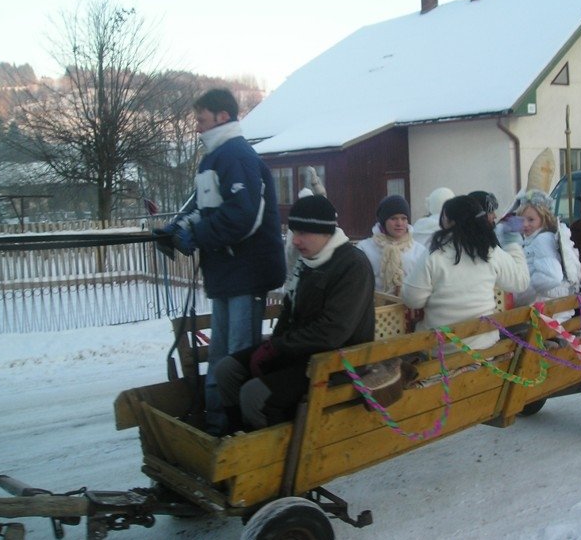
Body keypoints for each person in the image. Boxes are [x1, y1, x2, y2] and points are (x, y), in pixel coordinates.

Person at [154, 88, 286, 436]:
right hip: (227, 272)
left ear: (222, 116)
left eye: (201, 119)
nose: (197, 126)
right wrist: (176, 228)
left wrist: (196, 235)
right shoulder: (214, 158)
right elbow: (202, 206)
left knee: (237, 355)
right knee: (220, 354)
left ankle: (237, 429)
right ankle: (216, 426)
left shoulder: (236, 155)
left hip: (247, 273)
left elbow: (243, 216)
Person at [214, 195, 375, 432]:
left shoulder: (352, 265)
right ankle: (237, 437)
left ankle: (266, 448)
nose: (295, 240)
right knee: (227, 370)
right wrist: (273, 348)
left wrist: (276, 348)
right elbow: (289, 311)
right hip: (300, 353)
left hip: (336, 363)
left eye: (303, 233)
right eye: (293, 232)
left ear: (325, 232)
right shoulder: (307, 261)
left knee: (253, 395)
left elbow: (332, 332)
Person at [402, 195, 530, 350]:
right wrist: (512, 243)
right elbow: (520, 282)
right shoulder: (490, 251)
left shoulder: (435, 254)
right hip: (485, 347)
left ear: (449, 222)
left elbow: (412, 300)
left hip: (443, 352)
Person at [513, 189, 581, 323]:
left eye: (531, 220)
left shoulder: (542, 240)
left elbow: (552, 276)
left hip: (546, 315)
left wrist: (521, 293)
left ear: (543, 219)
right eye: (521, 219)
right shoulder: (538, 239)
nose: (525, 224)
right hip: (554, 312)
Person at [357, 194, 427, 296]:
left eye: (404, 218)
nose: (399, 223)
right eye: (393, 218)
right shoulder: (364, 248)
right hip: (375, 305)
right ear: (383, 221)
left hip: (408, 304)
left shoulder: (419, 251)